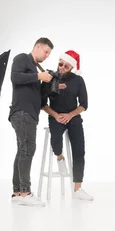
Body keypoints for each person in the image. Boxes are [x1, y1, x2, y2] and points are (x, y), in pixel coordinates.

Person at [42, 50, 93, 201]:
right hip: (55, 115)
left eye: (66, 66)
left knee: (79, 150)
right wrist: (56, 115)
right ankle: (60, 158)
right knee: (56, 139)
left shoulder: (78, 80)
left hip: (73, 116)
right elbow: (42, 103)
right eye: (60, 64)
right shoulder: (49, 77)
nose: (62, 67)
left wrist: (70, 115)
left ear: (72, 67)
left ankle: (78, 189)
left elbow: (84, 105)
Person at [9, 37, 54, 207]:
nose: (47, 55)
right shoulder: (22, 58)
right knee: (27, 150)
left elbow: (40, 98)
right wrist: (38, 75)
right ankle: (25, 192)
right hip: (22, 112)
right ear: (37, 46)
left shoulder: (37, 70)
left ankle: (17, 193)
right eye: (46, 52)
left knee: (23, 150)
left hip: (30, 115)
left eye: (49, 54)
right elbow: (15, 77)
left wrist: (50, 85)